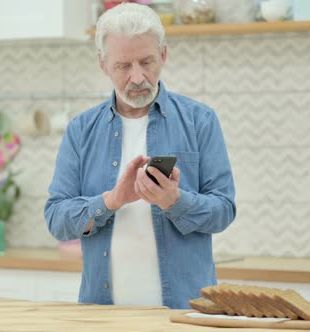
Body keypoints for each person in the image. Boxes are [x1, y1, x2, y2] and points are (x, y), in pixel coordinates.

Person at [44, 3, 236, 309]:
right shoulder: (81, 130)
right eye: (123, 66)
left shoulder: (200, 120)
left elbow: (224, 210)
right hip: (102, 316)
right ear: (103, 65)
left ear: (163, 55)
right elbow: (56, 220)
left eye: (146, 62)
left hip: (184, 315)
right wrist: (111, 201)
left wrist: (175, 201)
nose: (137, 77)